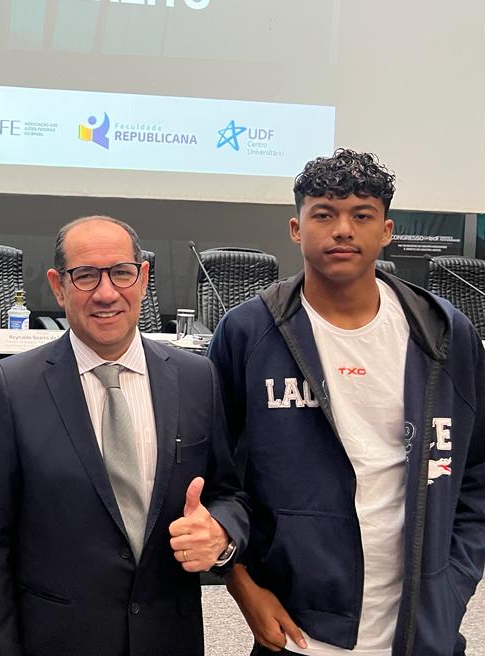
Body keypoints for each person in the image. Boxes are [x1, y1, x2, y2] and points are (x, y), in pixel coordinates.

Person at [208, 149, 485, 656]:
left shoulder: (444, 333)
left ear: (386, 230)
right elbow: (217, 474)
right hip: (295, 629)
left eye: (361, 215)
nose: (342, 230)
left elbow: (477, 471)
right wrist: (241, 585)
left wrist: (452, 584)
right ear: (296, 229)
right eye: (324, 214)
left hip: (421, 630)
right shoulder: (248, 332)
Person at [0, 215, 249, 656]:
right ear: (58, 286)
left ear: (143, 278)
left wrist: (221, 533)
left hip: (169, 638)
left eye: (121, 272)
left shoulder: (197, 378)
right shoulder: (14, 387)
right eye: (85, 276)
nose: (106, 293)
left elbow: (230, 494)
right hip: (58, 641)